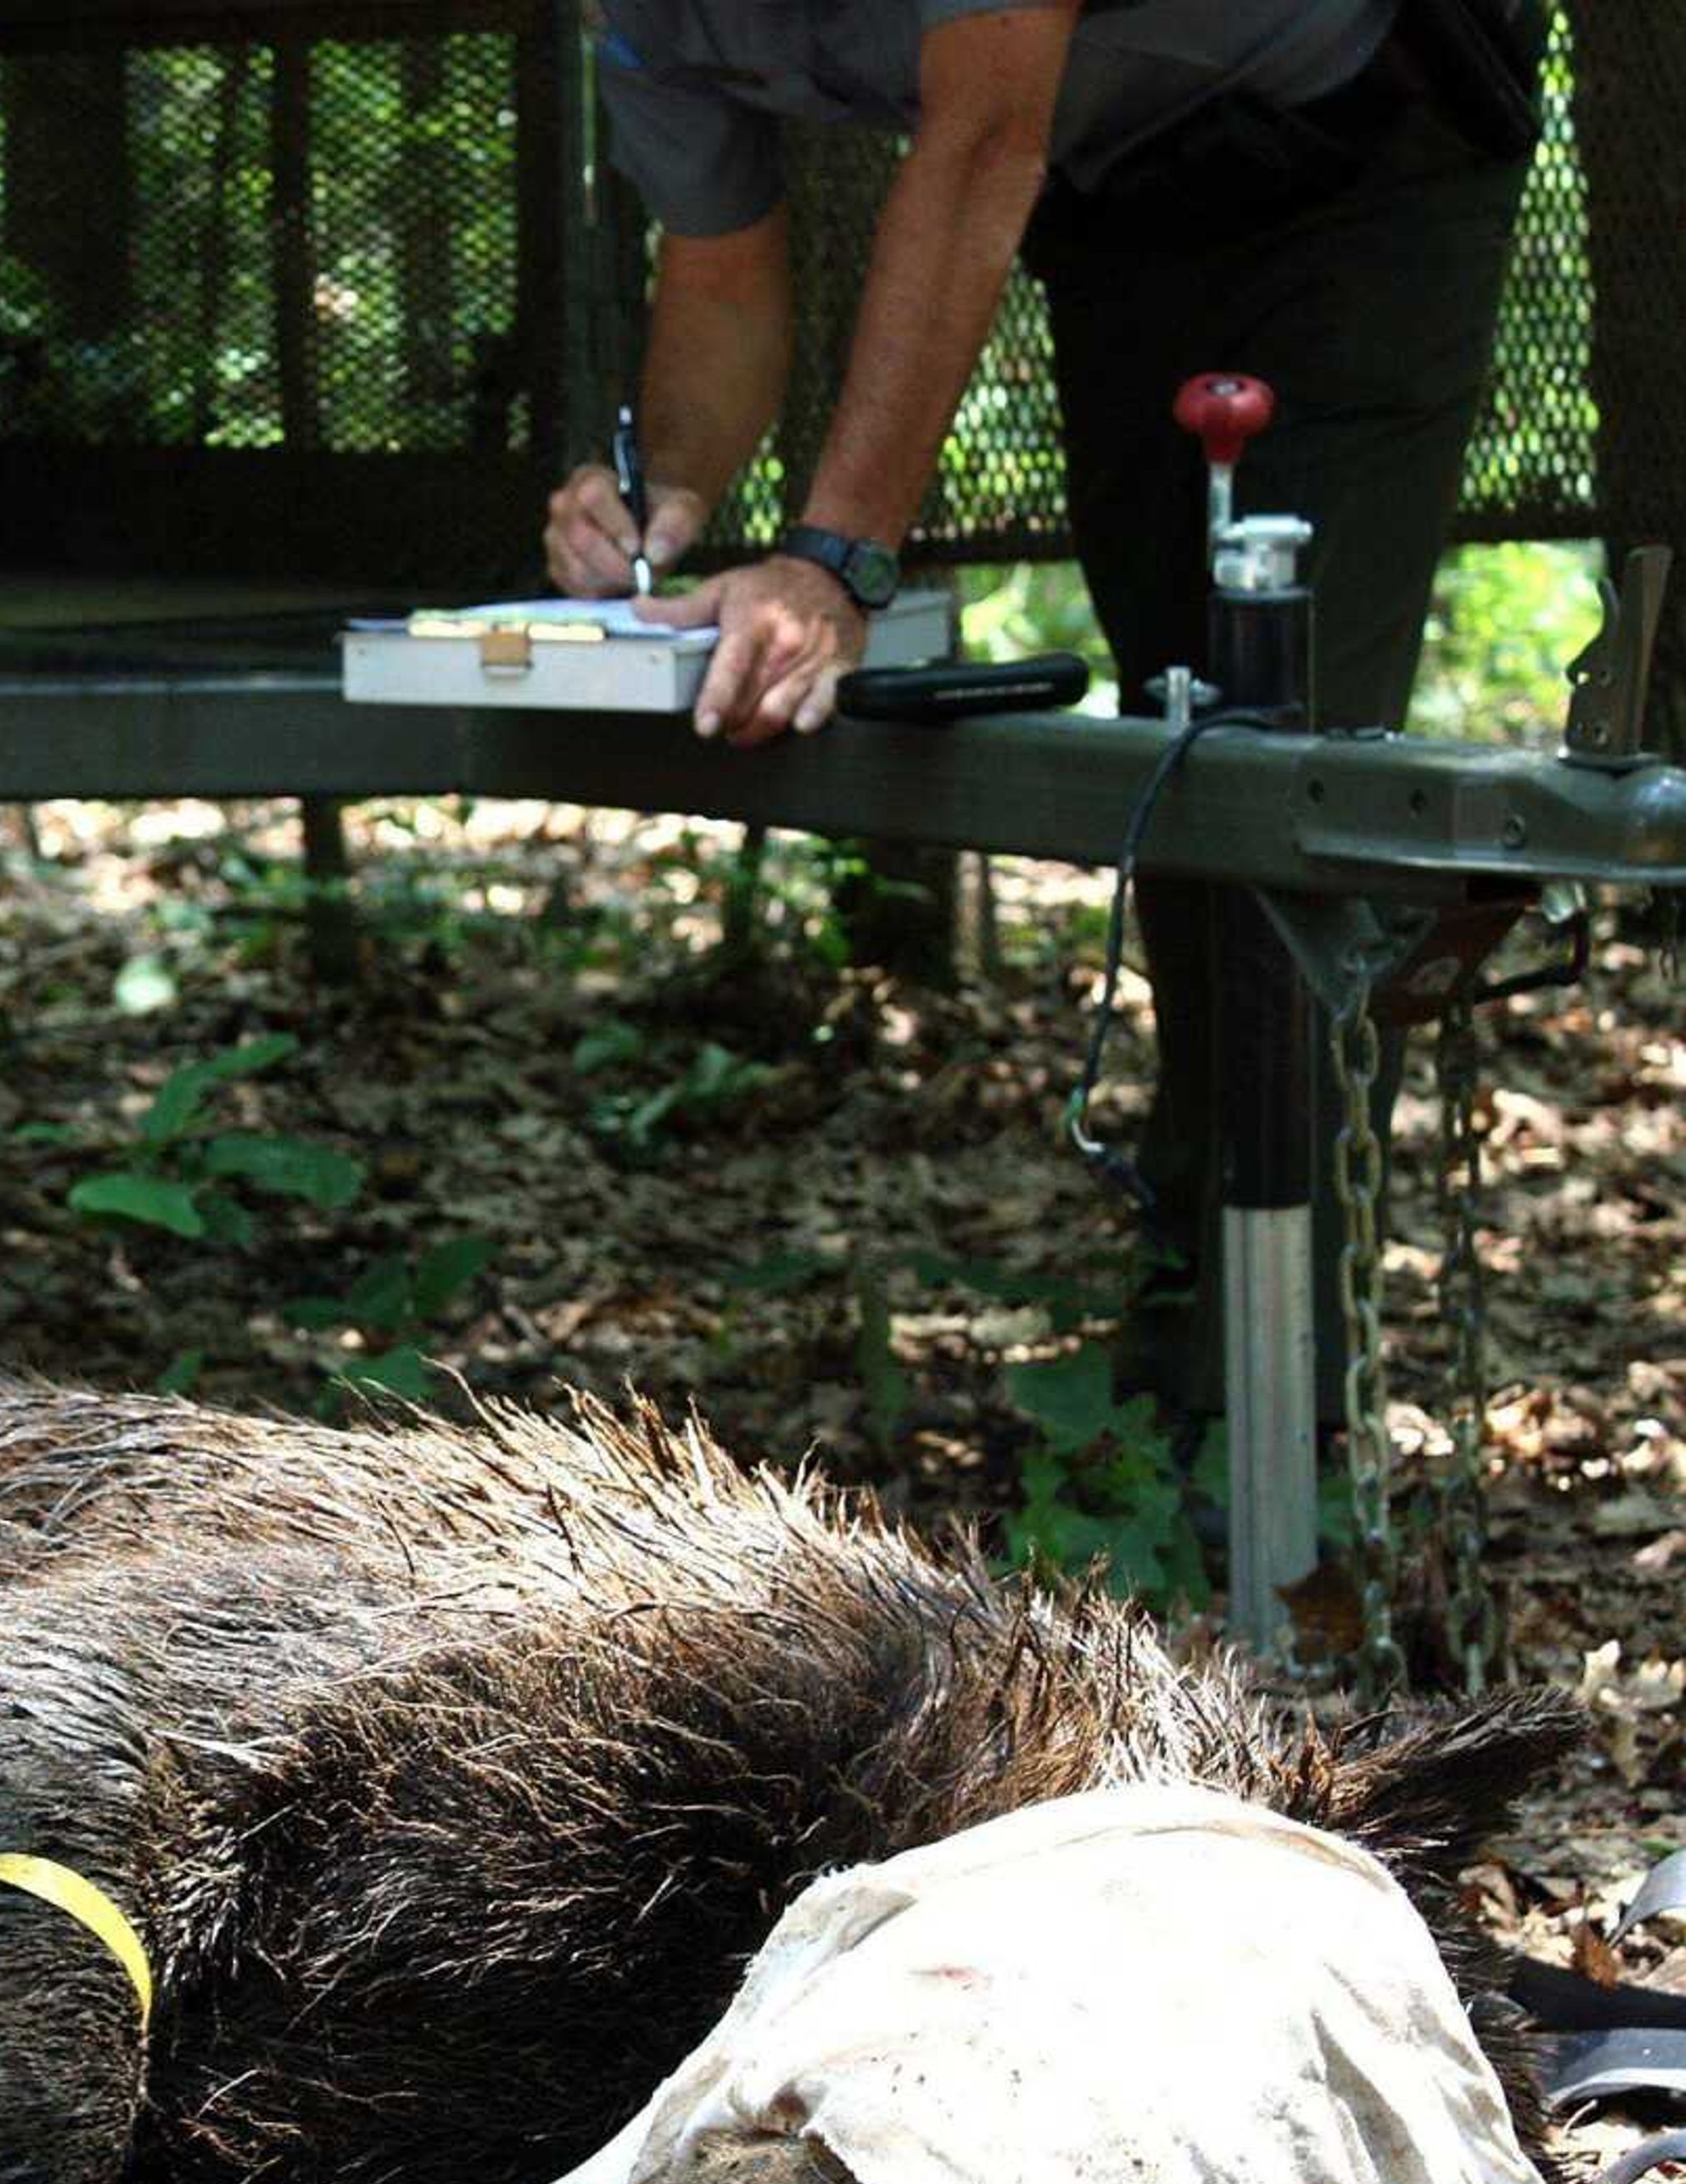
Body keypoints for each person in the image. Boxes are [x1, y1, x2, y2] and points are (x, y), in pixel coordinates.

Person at [542, 0, 1540, 1416]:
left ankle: (1282, 1433)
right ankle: (1196, 1330)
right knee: (1181, 760)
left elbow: (979, 144)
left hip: (1371, 147)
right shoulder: (642, 23)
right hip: (1124, 203)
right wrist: (666, 505)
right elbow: (717, 270)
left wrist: (833, 563)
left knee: (1292, 767)